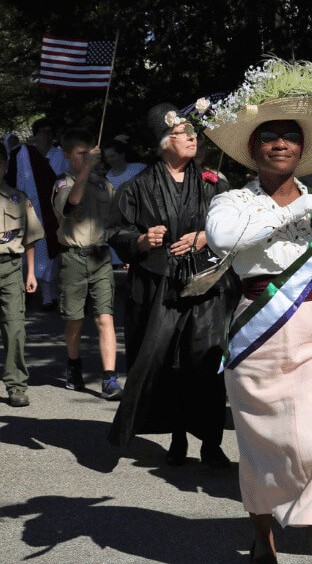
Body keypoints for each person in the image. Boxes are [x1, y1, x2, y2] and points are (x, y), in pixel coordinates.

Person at [204, 58, 312, 564]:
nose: (281, 143)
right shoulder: (232, 202)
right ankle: (263, 542)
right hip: (255, 336)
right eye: (270, 136)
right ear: (253, 148)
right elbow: (224, 239)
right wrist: (294, 212)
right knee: (261, 450)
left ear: (303, 148)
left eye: (291, 135)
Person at [106, 103, 235, 468]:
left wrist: (205, 236)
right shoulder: (138, 186)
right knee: (165, 363)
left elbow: (238, 224)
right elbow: (115, 231)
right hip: (158, 286)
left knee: (206, 361)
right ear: (164, 142)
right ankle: (177, 438)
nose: (194, 138)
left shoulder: (215, 181)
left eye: (194, 133)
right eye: (183, 133)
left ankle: (211, 443)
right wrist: (142, 240)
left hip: (206, 285)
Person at [51, 128, 122, 400]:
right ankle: (73, 364)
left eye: (91, 153)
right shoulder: (64, 182)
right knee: (75, 319)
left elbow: (116, 219)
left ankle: (109, 378)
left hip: (100, 257)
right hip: (74, 259)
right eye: (82, 154)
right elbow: (71, 204)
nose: (89, 157)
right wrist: (87, 170)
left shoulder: (104, 185)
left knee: (105, 317)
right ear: (68, 156)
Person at [5, 118, 67, 309]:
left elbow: (66, 179)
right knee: (26, 253)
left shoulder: (60, 155)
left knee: (49, 255)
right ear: (35, 134)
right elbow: (10, 179)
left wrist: (61, 192)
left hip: (52, 210)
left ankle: (49, 297)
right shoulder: (22, 153)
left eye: (49, 132)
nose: (45, 136)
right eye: (42, 132)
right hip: (26, 209)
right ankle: (24, 291)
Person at [0, 143, 43, 407]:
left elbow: (30, 238)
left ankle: (16, 385)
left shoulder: (18, 198)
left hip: (11, 268)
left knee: (14, 328)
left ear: (5, 165)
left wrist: (31, 273)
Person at [103, 140, 146, 268]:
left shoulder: (139, 168)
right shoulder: (107, 177)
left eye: (112, 156)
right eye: (107, 157)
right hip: (118, 222)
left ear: (121, 155)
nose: (109, 160)